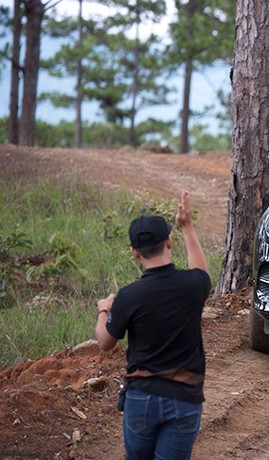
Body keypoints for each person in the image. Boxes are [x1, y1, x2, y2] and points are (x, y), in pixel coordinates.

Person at [95, 190, 211, 459]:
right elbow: (201, 271)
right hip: (185, 397)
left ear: (135, 253)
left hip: (141, 399)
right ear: (169, 242)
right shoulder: (193, 285)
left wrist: (104, 309)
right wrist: (188, 227)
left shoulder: (128, 296)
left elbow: (104, 342)